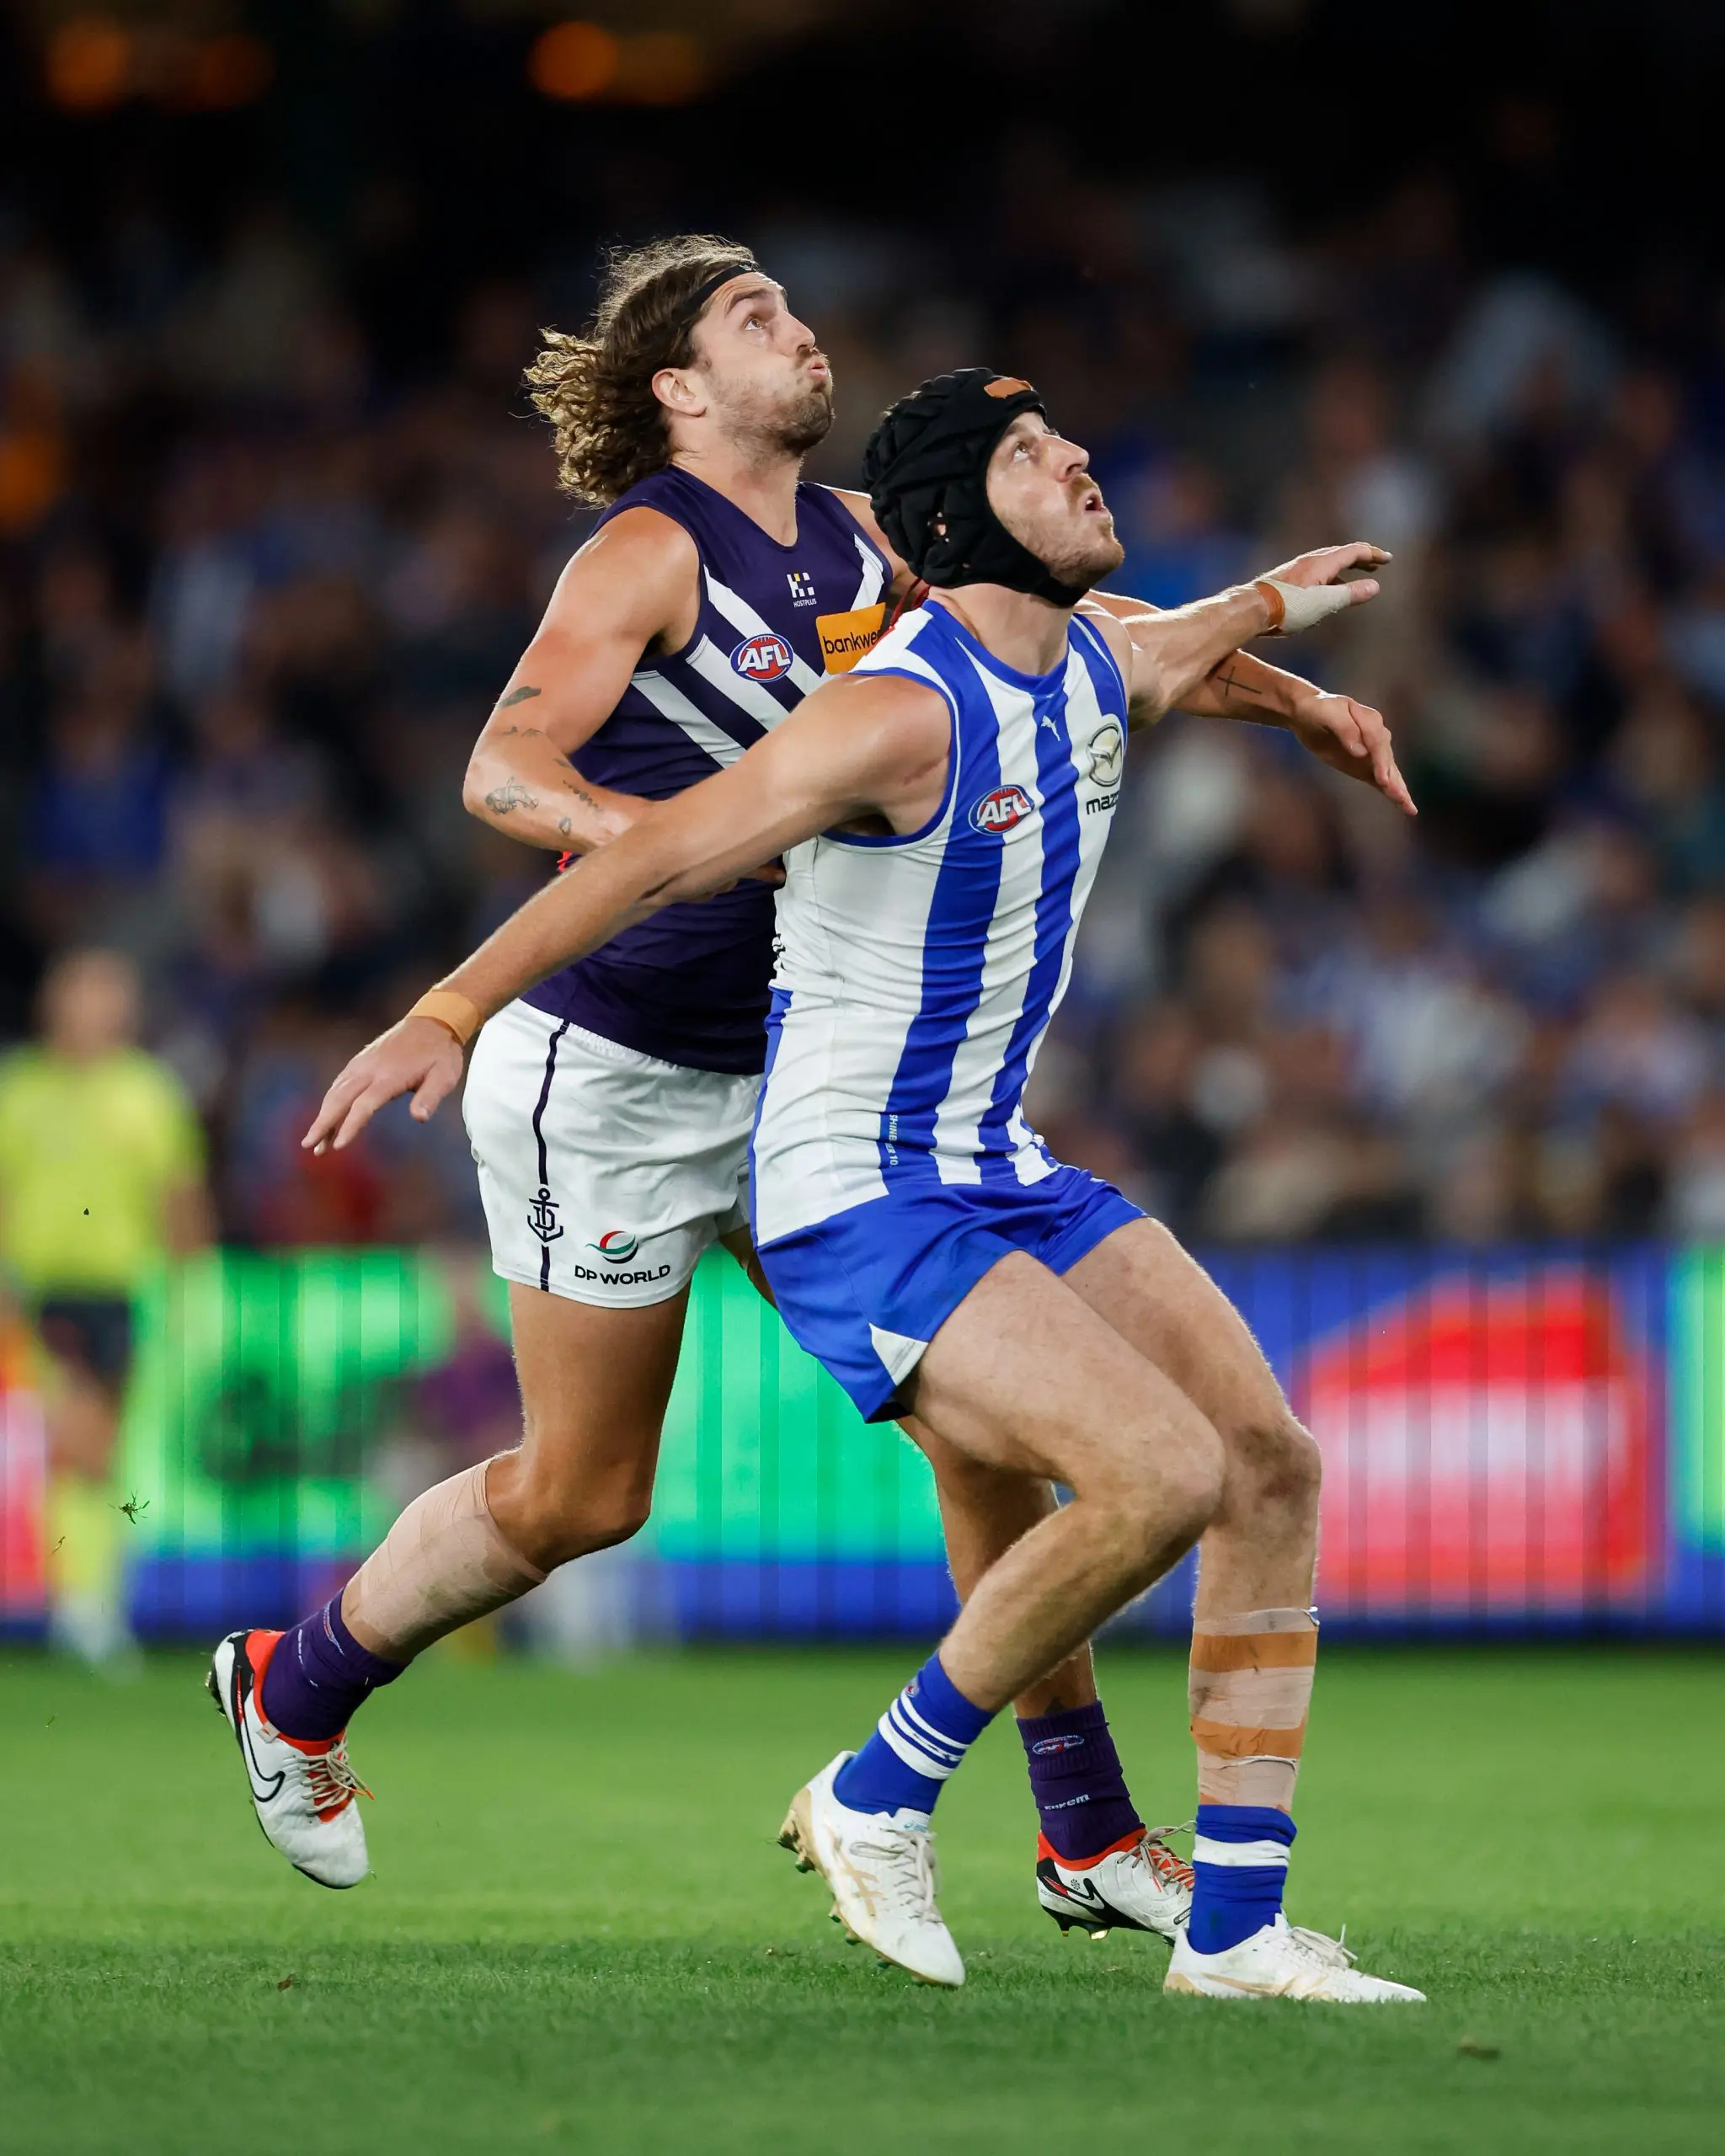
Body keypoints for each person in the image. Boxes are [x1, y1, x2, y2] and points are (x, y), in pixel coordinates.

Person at [212, 235, 1401, 1946]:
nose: (800, 329)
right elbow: (501, 766)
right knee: (582, 1495)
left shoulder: (863, 539)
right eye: (751, 317)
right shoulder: (644, 550)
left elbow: (1086, 636)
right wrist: (699, 838)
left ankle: (1082, 1827)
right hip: (610, 1071)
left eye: (791, 301)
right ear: (682, 389)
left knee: (980, 1421)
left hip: (802, 1078)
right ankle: (294, 1678)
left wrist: (1291, 691)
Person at [0, 947, 212, 1666]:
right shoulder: (22, 1090)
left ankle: (90, 1597)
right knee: (78, 1436)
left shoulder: (148, 1093)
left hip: (122, 1291)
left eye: (110, 995)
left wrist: (190, 1286)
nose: (99, 1010)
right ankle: (83, 1605)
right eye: (85, 993)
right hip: (50, 1288)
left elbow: (178, 1197)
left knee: (100, 1452)